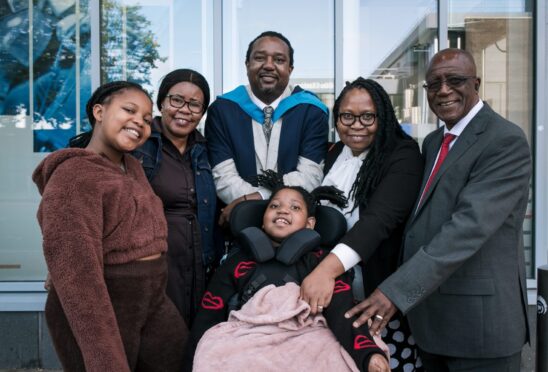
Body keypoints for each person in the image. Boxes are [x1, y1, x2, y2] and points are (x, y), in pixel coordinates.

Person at [346, 49, 532, 371]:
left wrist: (394, 292)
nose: (443, 90)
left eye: (455, 80)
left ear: (476, 83)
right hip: (432, 325)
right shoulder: (433, 142)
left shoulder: (505, 140)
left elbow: (466, 230)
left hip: (480, 331)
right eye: (433, 84)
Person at [32, 81, 186, 371]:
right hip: (104, 304)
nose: (139, 122)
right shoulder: (74, 176)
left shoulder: (133, 166)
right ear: (99, 112)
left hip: (151, 297)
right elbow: (78, 277)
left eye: (145, 118)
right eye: (129, 110)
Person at [188, 183, 389, 372]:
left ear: (310, 223)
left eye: (295, 208)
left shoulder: (322, 264)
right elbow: (208, 316)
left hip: (306, 340)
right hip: (248, 341)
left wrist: (368, 355)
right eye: (274, 205)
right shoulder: (238, 262)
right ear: (263, 221)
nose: (283, 210)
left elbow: (342, 312)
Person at [300, 77, 424, 371]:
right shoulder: (332, 154)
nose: (356, 125)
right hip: (329, 301)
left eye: (368, 116)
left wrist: (324, 272)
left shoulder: (403, 156)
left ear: (383, 116)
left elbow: (377, 222)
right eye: (347, 116)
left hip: (374, 302)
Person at [205, 31, 329, 225]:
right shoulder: (222, 110)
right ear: (247, 65)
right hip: (239, 226)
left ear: (290, 68)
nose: (269, 65)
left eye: (279, 60)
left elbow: (309, 176)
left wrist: (254, 199)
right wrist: (253, 208)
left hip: (293, 225)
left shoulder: (311, 110)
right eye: (260, 58)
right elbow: (224, 177)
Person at [132, 69, 220, 327]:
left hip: (199, 262)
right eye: (176, 100)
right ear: (161, 102)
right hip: (155, 263)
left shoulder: (207, 150)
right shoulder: (140, 144)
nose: (185, 110)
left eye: (195, 104)